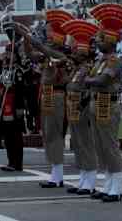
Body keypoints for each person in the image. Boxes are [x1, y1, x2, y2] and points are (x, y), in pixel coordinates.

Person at [22, 30, 69, 188]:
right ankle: (56, 174)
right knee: (48, 134)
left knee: (54, 134)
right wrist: (25, 40)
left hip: (56, 95)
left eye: (51, 39)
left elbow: (42, 48)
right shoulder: (48, 57)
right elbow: (31, 55)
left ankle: (57, 176)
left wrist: (26, 34)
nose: (48, 41)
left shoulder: (62, 57)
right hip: (47, 95)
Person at [86, 30, 122, 202]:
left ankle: (116, 189)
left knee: (110, 145)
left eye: (101, 39)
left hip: (108, 103)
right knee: (100, 147)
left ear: (110, 42)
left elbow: (101, 80)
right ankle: (107, 186)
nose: (97, 41)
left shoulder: (114, 61)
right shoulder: (100, 61)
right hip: (97, 102)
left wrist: (88, 81)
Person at [67, 47, 98, 195]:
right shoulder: (76, 70)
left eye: (78, 54)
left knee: (86, 144)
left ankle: (90, 182)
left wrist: (83, 103)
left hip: (82, 108)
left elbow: (92, 89)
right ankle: (83, 179)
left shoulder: (88, 69)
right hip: (73, 107)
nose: (74, 56)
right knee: (78, 145)